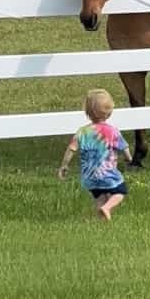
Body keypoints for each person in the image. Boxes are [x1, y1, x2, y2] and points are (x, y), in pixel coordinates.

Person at [57, 89, 131, 221]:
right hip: (107, 173)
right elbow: (124, 147)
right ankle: (107, 208)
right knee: (120, 192)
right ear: (109, 112)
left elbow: (71, 149)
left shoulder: (82, 132)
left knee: (99, 196)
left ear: (87, 112)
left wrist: (64, 165)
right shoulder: (112, 131)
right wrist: (128, 158)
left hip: (89, 176)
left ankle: (101, 220)